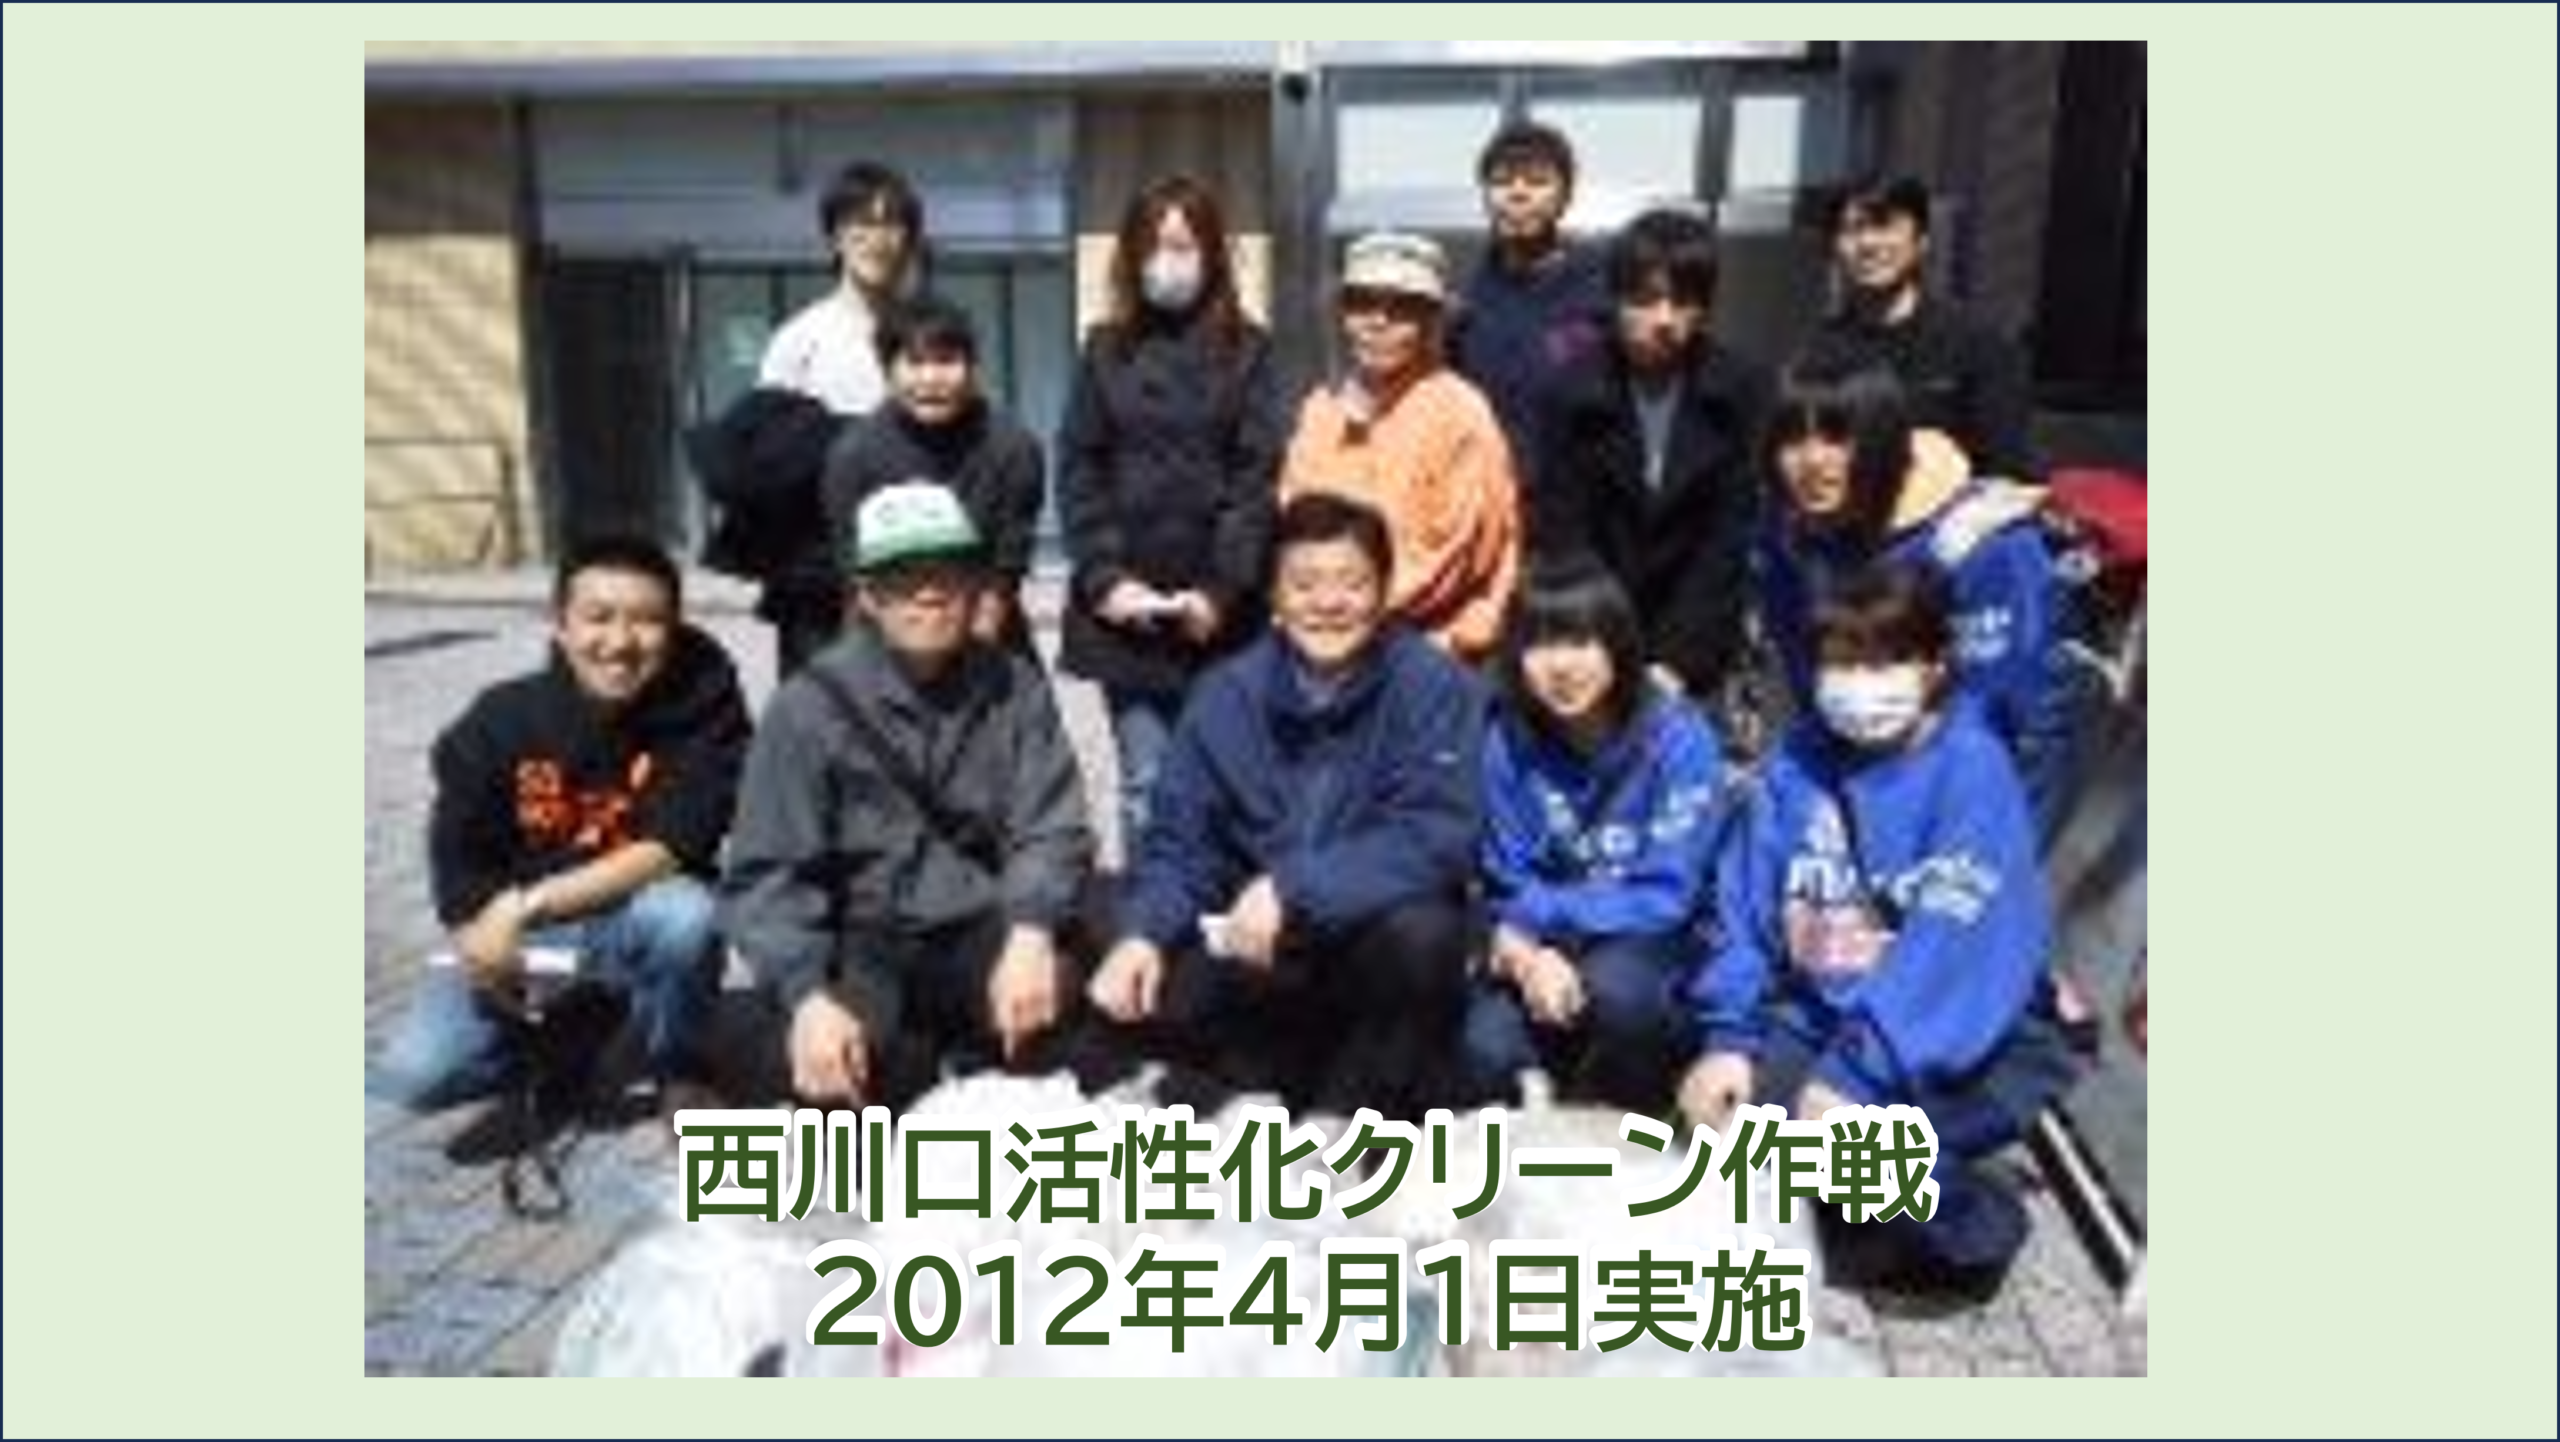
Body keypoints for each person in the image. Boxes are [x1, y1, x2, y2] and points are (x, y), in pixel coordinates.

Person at [1679, 564, 2075, 1300]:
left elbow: (1953, 955)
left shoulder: (1972, 770)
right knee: (1726, 1145)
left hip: (1962, 1040)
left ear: (1935, 665)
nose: (1860, 684)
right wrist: (1727, 1039)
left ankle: (1978, 1221)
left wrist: (1852, 1079)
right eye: (1841, 660)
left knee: (1853, 1158)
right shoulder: (1797, 760)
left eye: (1885, 660)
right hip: (1822, 1014)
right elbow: (1743, 903)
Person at [1087, 493, 1485, 1122]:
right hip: (1264, 952)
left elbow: (1440, 834)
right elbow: (1180, 845)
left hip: (1368, 943)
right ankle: (1276, 1073)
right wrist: (1143, 935)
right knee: (1113, 926)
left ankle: (1362, 1108)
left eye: (1352, 583)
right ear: (1274, 596)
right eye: (1304, 584)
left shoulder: (1433, 685)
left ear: (1384, 591)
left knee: (1425, 937)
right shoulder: (1226, 694)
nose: (1328, 602)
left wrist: (1295, 886)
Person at [721, 483, 1097, 1109]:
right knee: (844, 1079)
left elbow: (1052, 827)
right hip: (861, 937)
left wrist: (1032, 931)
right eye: (902, 577)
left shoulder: (1015, 685)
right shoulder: (807, 707)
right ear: (867, 594)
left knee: (1057, 995)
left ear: (975, 585)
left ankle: (972, 1043)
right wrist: (806, 994)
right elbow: (765, 874)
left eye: (948, 573)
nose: (929, 593)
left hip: (978, 919)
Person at [371, 537, 750, 1117]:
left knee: (690, 914)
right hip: (527, 941)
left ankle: (679, 1067)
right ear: (561, 625)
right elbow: (459, 868)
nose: (620, 642)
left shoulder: (703, 710)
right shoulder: (497, 721)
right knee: (416, 1076)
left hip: (627, 914)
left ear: (673, 629)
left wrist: (525, 906)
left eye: (646, 621)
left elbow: (670, 848)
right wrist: (483, 945)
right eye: (598, 617)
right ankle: (571, 1033)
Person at [1057, 175, 1284, 844]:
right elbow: (1079, 467)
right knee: (1146, 783)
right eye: (1153, 246)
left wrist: (1222, 587)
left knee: (1229, 784)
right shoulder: (1105, 347)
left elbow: (1257, 476)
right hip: (1127, 616)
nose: (1168, 262)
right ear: (1131, 255)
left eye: (1184, 246)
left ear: (1213, 254)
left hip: (1223, 617)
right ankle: (1152, 909)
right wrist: (1105, 579)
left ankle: (1225, 907)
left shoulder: (1250, 349)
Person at [1466, 565, 1727, 1109]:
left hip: (1657, 943)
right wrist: (1531, 956)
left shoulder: (1679, 737)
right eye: (1540, 645)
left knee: (1618, 989)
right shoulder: (1506, 740)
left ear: (1618, 646)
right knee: (1483, 1044)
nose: (1561, 666)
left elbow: (1668, 896)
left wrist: (1538, 920)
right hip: (1544, 945)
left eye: (1582, 642)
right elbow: (1507, 877)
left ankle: (1634, 1111)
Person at [1758, 367, 2070, 806]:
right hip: (1843, 782)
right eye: (1793, 440)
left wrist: (1991, 834)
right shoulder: (1789, 535)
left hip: (1970, 796)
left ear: (1882, 442)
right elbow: (1800, 672)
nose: (1812, 461)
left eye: (1836, 438)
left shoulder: (1982, 544)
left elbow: (2023, 720)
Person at [1534, 206, 1773, 712]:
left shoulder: (1742, 388)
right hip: (1593, 636)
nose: (1664, 320)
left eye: (1683, 301)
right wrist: (1607, 650)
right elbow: (1565, 534)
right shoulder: (1569, 393)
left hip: (1699, 642)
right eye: (1645, 301)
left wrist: (1676, 662)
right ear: (1615, 300)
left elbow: (1728, 534)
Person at [1280, 231, 1521, 665]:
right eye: (1362, 304)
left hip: (1431, 649)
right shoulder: (1320, 409)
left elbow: (1448, 559)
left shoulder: (1460, 412)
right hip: (1324, 642)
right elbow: (1295, 522)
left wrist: (1339, 611)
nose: (1378, 322)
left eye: (1402, 308)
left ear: (1431, 320)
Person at [736, 161, 930, 675]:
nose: (877, 239)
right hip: (819, 570)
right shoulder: (800, 339)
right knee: (823, 702)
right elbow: (767, 461)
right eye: (860, 224)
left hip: (914, 554)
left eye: (892, 224)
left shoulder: (926, 334)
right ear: (834, 237)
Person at [821, 295, 1045, 657]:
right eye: (914, 362)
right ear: (887, 370)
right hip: (883, 632)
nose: (931, 379)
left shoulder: (1012, 446)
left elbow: (1006, 568)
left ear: (972, 367)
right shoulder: (853, 454)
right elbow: (855, 571)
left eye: (946, 361)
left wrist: (970, 652)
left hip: (985, 628)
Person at [1793, 175, 2036, 482]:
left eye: (1883, 225)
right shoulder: (1817, 352)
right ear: (1834, 247)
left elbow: (2007, 469)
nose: (1867, 243)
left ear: (1921, 241)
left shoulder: (1979, 345)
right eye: (1851, 230)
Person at [1446, 119, 1611, 493]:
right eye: (1502, 181)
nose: (1518, 193)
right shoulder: (1464, 305)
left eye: (1537, 181)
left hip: (1581, 505)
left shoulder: (1601, 288)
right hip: (1488, 498)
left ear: (1565, 195)